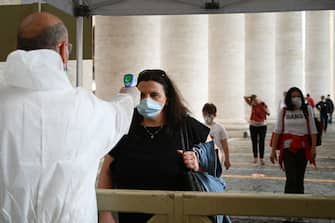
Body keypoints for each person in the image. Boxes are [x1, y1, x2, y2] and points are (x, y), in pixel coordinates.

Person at [0, 12, 139, 223]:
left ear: (17, 48)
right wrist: (128, 96)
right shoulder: (86, 108)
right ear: (63, 49)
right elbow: (119, 116)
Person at [98, 69, 210, 223]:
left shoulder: (186, 126)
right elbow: (106, 171)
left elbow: (216, 157)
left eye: (154, 95)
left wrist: (199, 159)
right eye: (141, 95)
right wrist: (105, 213)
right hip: (131, 216)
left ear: (167, 98)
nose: (146, 100)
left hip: (179, 216)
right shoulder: (124, 127)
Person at [270, 87, 317, 194]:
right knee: (291, 179)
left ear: (302, 97)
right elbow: (277, 131)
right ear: (288, 98)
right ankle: (289, 205)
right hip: (288, 149)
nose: (296, 98)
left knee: (300, 179)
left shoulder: (307, 109)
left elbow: (313, 130)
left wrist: (313, 148)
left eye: (298, 96)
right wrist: (273, 151)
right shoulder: (284, 111)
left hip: (303, 148)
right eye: (293, 96)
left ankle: (299, 205)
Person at [202, 103, 231, 170]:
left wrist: (227, 159)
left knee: (215, 176)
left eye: (209, 114)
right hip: (204, 157)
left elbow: (225, 145)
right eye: (205, 114)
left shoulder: (220, 128)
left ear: (214, 115)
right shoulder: (200, 126)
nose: (207, 116)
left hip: (217, 156)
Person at [244, 94, 270, 165]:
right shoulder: (253, 105)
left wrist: (262, 106)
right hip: (253, 125)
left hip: (262, 126)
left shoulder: (263, 104)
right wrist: (251, 97)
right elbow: (245, 97)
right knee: (254, 142)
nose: (255, 101)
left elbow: (268, 113)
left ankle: (261, 158)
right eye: (254, 100)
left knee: (261, 142)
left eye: (256, 100)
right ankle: (255, 158)